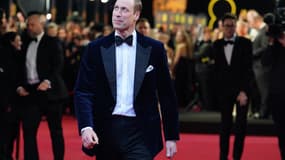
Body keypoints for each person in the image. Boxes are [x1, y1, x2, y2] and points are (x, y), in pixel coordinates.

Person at [74, 0, 179, 159]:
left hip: (141, 132)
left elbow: (166, 94)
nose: (117, 13)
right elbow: (83, 91)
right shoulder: (95, 49)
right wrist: (86, 127)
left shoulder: (155, 49)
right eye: (116, 8)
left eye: (124, 10)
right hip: (106, 130)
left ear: (136, 15)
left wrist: (171, 135)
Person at [17, 11, 68, 160]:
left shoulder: (52, 41)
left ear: (41, 24)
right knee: (28, 130)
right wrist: (20, 86)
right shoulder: (25, 42)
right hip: (32, 92)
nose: (29, 27)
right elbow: (20, 67)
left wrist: (47, 81)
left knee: (56, 131)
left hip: (51, 92)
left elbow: (58, 65)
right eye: (28, 25)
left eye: (32, 24)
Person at [212, 13, 253, 160]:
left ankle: (237, 157)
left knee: (241, 127)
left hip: (242, 92)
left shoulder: (246, 43)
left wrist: (243, 91)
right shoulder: (216, 45)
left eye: (232, 25)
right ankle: (223, 157)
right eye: (227, 25)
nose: (229, 28)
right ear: (222, 27)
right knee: (225, 127)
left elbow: (248, 70)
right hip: (225, 93)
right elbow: (217, 73)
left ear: (236, 26)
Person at [262, 24, 285, 160]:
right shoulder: (274, 46)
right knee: (281, 130)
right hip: (277, 94)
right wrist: (271, 43)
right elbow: (265, 62)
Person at [0, 31, 22, 160]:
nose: (20, 43)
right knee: (6, 132)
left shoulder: (15, 55)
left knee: (9, 132)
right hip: (7, 102)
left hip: (10, 102)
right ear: (11, 42)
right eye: (18, 40)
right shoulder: (7, 57)